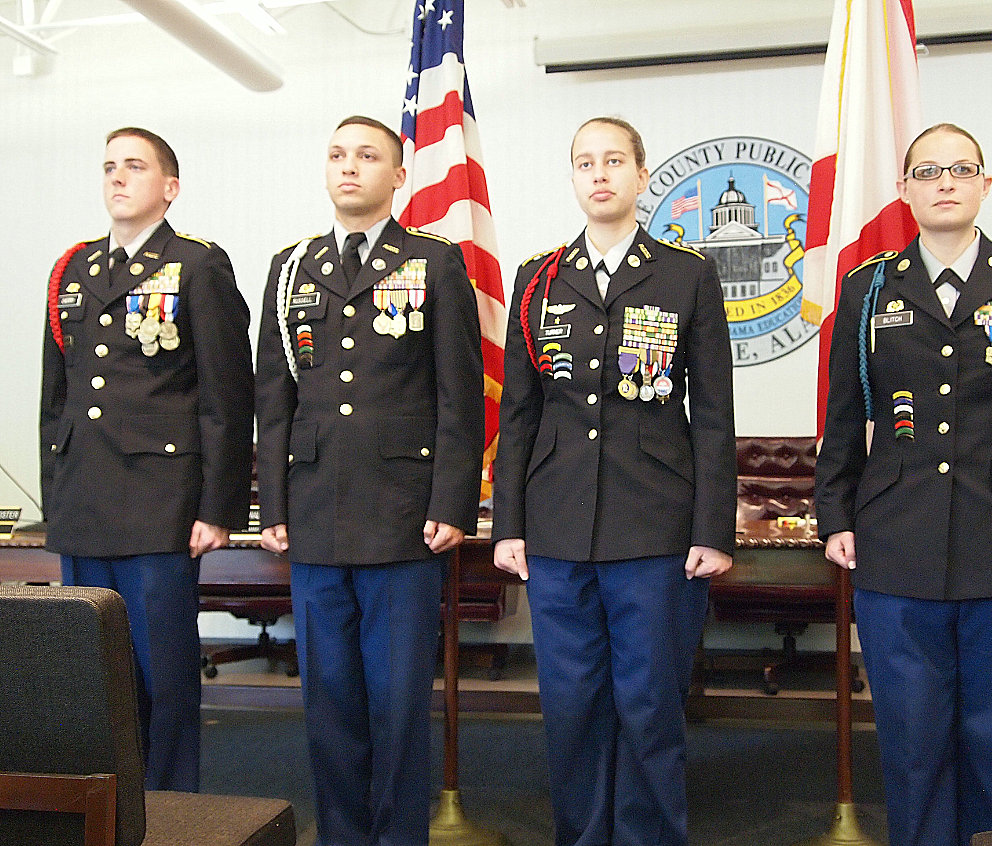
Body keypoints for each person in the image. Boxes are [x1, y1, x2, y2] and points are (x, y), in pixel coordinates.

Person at [815, 123, 992, 846]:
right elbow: (844, 413)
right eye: (929, 171)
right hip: (895, 537)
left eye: (962, 169)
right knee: (912, 744)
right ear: (904, 189)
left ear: (986, 184)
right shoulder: (867, 285)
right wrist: (834, 514)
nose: (946, 181)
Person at [492, 116, 736, 846]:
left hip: (655, 525)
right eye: (584, 163)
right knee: (570, 707)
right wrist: (508, 524)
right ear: (572, 179)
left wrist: (712, 530)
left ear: (639, 175)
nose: (598, 174)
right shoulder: (538, 278)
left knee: (650, 706)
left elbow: (715, 413)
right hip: (558, 525)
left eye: (613, 161)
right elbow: (519, 411)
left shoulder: (687, 273)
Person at [254, 115, 484, 846]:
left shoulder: (434, 260)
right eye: (336, 154)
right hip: (317, 510)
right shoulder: (290, 265)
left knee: (395, 703)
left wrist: (453, 501)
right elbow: (274, 398)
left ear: (398, 176)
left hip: (403, 514)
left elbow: (459, 392)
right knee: (329, 704)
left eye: (367, 155)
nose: (349, 166)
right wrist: (273, 502)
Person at [39, 126, 254, 791]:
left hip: (161, 507)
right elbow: (58, 399)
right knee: (94, 683)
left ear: (170, 187)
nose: (117, 178)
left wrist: (217, 508)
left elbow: (227, 396)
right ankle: (108, 816)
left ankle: (169, 815)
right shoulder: (73, 268)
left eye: (134, 166)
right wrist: (57, 503)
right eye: (108, 166)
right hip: (86, 504)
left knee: (162, 678)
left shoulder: (197, 265)